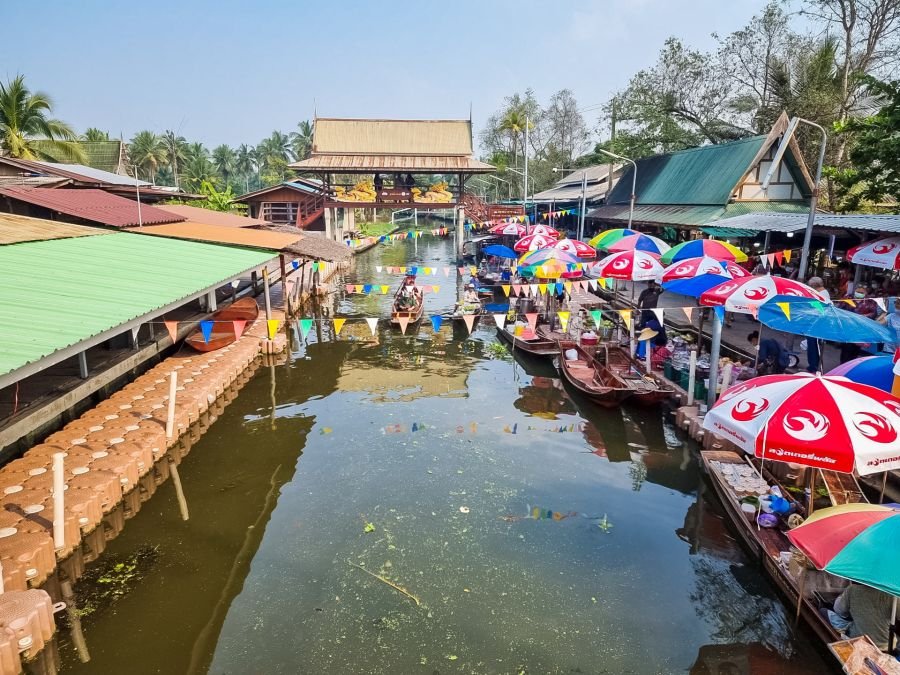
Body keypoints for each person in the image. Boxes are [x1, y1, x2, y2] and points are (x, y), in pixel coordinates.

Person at [826, 582, 895, 650]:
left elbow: (839, 611)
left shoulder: (852, 590)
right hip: (888, 645)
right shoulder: (894, 596)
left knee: (823, 611)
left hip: (859, 641)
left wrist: (843, 596)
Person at [805, 277, 831, 373]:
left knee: (813, 345)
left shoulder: (823, 294)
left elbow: (820, 309)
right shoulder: (821, 293)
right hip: (815, 322)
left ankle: (813, 366)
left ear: (814, 285)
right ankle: (813, 365)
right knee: (812, 345)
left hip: (817, 323)